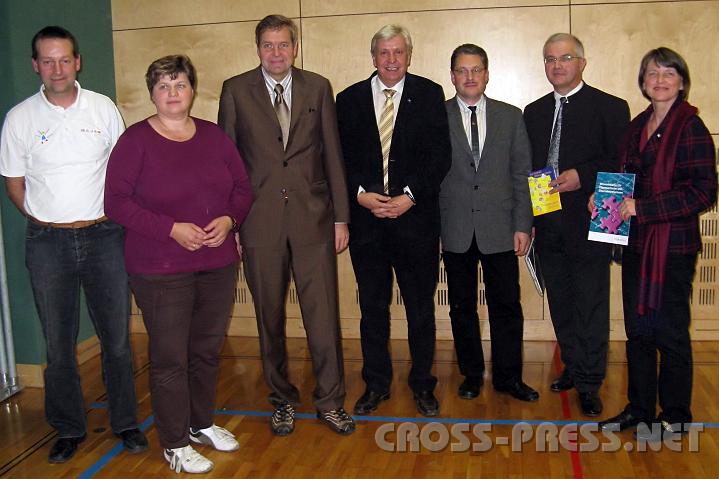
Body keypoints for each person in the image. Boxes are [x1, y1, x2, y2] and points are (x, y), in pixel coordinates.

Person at [0, 25, 147, 463]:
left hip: (105, 236)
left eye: (65, 59)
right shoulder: (19, 118)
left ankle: (125, 422)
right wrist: (48, 218)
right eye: (48, 60)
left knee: (116, 341)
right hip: (47, 243)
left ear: (77, 61)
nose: (57, 68)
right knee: (58, 345)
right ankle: (67, 428)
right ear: (35, 66)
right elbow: (14, 185)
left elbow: (122, 175)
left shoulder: (102, 108)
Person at [105, 54, 253, 474]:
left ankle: (200, 423)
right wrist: (171, 229)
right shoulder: (135, 141)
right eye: (164, 86)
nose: (173, 93)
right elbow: (115, 203)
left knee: (205, 351)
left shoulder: (213, 136)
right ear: (152, 93)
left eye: (180, 85)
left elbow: (242, 189)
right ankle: (173, 442)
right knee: (171, 357)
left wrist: (229, 220)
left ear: (193, 90)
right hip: (159, 268)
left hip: (217, 262)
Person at [218, 14, 354, 436]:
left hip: (313, 220)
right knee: (269, 318)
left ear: (294, 47)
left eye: (283, 45)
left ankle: (330, 401)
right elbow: (227, 166)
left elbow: (332, 154)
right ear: (257, 48)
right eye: (267, 45)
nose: (275, 53)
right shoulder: (235, 90)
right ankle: (281, 399)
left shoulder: (318, 86)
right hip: (258, 223)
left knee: (323, 316)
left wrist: (341, 217)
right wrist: (233, 224)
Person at [597, 48, 716, 440]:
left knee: (671, 334)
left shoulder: (692, 128)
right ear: (643, 82)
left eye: (668, 73)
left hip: (673, 250)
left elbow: (703, 193)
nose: (660, 79)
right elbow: (622, 179)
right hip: (636, 246)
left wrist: (641, 207)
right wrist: (604, 199)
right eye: (652, 73)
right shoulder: (636, 127)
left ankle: (677, 415)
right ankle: (641, 408)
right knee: (639, 332)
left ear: (681, 82)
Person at [337, 25, 451, 417]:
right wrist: (359, 196)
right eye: (384, 53)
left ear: (409, 56)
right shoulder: (348, 99)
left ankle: (423, 385)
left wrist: (409, 198)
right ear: (373, 57)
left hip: (415, 221)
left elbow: (440, 157)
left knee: (421, 309)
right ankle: (376, 385)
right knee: (372, 309)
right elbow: (339, 160)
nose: (391, 60)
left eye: (398, 52)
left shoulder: (430, 94)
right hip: (367, 223)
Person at [523, 33, 630, 416]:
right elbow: (528, 169)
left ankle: (589, 381)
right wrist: (529, 220)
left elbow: (620, 162)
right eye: (550, 59)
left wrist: (580, 175)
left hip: (591, 223)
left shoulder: (611, 108)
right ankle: (572, 364)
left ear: (581, 63)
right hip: (548, 223)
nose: (557, 65)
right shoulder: (532, 112)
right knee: (562, 304)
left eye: (565, 58)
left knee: (591, 304)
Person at [440, 44, 538, 403]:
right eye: (462, 70)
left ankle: (508, 377)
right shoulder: (437, 116)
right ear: (452, 76)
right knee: (462, 306)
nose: (469, 77)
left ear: (486, 73)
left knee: (506, 305)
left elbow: (522, 174)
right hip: (454, 228)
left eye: (476, 69)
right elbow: (430, 176)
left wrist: (523, 225)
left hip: (501, 227)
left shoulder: (511, 117)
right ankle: (471, 373)